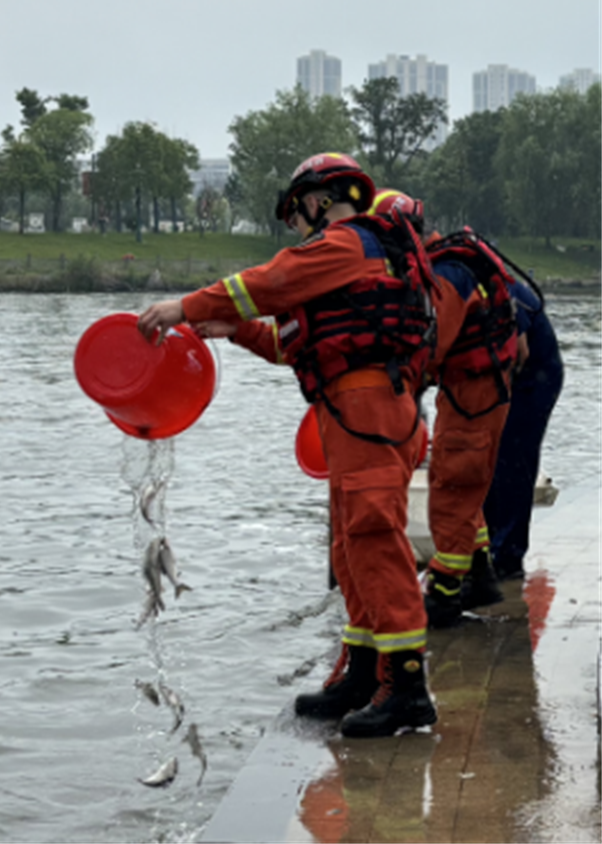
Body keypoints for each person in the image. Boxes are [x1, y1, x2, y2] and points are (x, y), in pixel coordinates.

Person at [139, 153, 438, 737]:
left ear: (319, 199)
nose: (297, 228)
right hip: (356, 413)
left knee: (375, 540)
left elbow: (273, 281)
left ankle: (406, 687)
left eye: (297, 213)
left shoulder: (346, 244)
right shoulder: (352, 262)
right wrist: (237, 328)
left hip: (368, 411)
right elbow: (291, 342)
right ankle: (361, 670)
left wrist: (188, 306)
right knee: (352, 548)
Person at [371, 191, 517, 628]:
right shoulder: (454, 263)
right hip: (477, 391)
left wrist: (392, 382)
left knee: (452, 490)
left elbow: (433, 344)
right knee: (462, 484)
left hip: (473, 397)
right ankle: (479, 571)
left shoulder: (448, 275)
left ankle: (445, 593)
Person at [483, 276, 564, 579]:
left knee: (513, 461)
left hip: (533, 377)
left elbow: (521, 350)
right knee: (492, 458)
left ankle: (507, 555)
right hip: (510, 377)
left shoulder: (494, 287)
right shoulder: (469, 277)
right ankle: (492, 542)